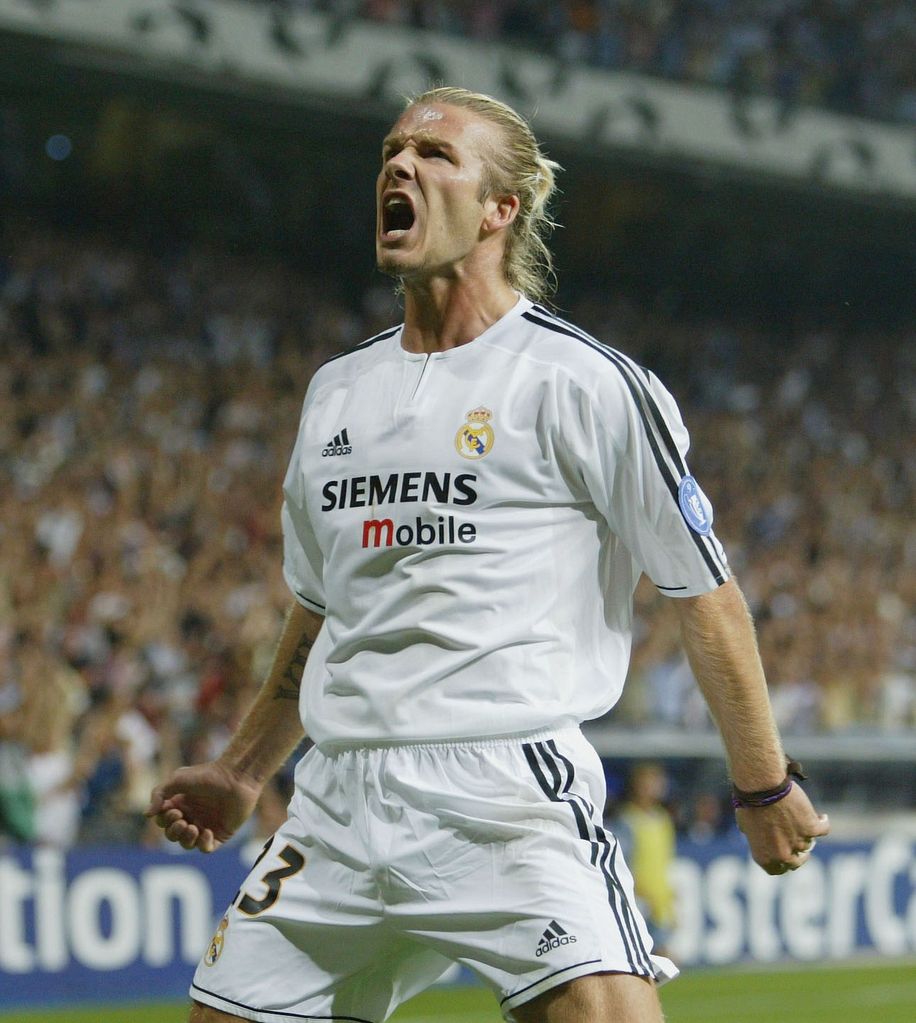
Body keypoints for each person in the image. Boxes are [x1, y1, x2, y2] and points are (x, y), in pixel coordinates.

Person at [147, 86, 830, 1023]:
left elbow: (702, 592)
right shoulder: (336, 393)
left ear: (501, 209)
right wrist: (243, 769)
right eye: (393, 150)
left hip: (507, 794)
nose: (399, 165)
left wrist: (765, 782)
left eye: (434, 155)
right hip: (339, 803)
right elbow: (321, 606)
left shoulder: (583, 383)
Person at [614, 763, 678, 958]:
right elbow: (620, 862)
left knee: (661, 961)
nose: (654, 788)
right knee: (658, 958)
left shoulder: (663, 819)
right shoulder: (626, 821)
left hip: (660, 901)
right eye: (648, 783)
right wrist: (637, 892)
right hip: (639, 900)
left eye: (657, 783)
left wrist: (670, 899)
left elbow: (665, 863)